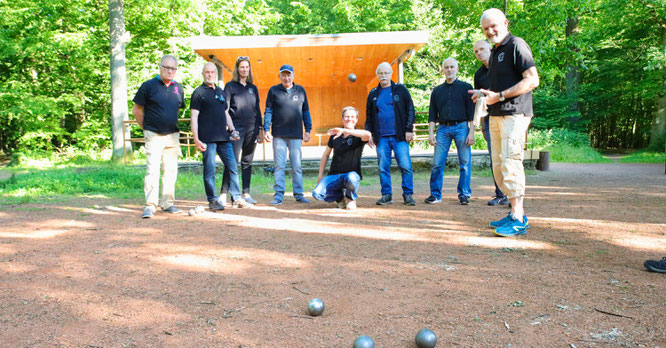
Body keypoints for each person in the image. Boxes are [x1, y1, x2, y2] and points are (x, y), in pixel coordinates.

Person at [470, 8, 540, 237]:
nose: (490, 31)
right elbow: (497, 89)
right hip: (496, 115)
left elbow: (532, 80)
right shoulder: (497, 51)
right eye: (485, 29)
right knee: (499, 166)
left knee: (511, 163)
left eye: (493, 26)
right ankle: (513, 213)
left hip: (514, 113)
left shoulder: (516, 45)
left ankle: (519, 219)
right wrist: (484, 95)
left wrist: (499, 96)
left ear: (505, 22)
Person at [190, 62, 251, 211]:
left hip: (224, 138)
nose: (210, 75)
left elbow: (226, 114)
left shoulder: (220, 91)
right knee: (210, 170)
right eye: (207, 72)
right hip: (207, 139)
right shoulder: (198, 93)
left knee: (232, 166)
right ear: (203, 74)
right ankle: (212, 200)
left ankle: (236, 198)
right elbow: (194, 117)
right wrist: (196, 138)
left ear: (215, 75)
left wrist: (233, 130)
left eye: (212, 72)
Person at [132, 55, 185, 219]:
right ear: (160, 67)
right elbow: (137, 110)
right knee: (152, 170)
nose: (170, 71)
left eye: (173, 68)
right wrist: (146, 129)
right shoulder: (148, 86)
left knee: (170, 171)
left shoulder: (178, 88)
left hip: (172, 136)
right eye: (167, 67)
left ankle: (167, 203)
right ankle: (150, 205)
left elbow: (176, 109)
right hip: (153, 135)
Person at [425, 58, 475, 205]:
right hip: (443, 129)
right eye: (446, 67)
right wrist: (430, 133)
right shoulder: (437, 91)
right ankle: (435, 194)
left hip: (461, 128)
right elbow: (432, 114)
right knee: (437, 163)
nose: (449, 69)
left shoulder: (466, 88)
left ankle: (464, 194)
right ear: (443, 70)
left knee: (465, 163)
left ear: (457, 69)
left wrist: (471, 132)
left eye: (452, 67)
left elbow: (472, 113)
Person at [365, 62, 416, 206]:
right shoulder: (373, 93)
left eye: (386, 73)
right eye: (380, 73)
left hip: (399, 136)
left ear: (391, 74)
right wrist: (369, 134)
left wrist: (409, 130)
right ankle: (386, 195)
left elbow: (410, 110)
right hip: (381, 137)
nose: (383, 75)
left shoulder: (401, 90)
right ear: (377, 75)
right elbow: (369, 116)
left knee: (405, 166)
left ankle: (408, 195)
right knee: (383, 167)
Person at [263, 64, 313, 205]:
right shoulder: (273, 91)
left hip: (296, 135)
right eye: (283, 75)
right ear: (279, 76)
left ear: (293, 76)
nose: (286, 77)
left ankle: (299, 194)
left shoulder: (301, 91)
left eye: (288, 74)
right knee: (279, 165)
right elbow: (268, 111)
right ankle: (278, 195)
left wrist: (308, 130)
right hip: (278, 135)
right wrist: (267, 129)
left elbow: (306, 112)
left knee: (296, 166)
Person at [221, 56, 262, 205]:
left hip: (252, 129)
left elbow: (257, 109)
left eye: (247, 67)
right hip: (236, 130)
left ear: (250, 69)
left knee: (247, 162)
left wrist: (260, 130)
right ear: (237, 69)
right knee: (232, 162)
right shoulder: (230, 86)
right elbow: (224, 109)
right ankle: (224, 194)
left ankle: (245, 193)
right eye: (242, 67)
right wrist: (231, 129)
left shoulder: (253, 88)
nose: (244, 69)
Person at [312, 107, 371, 210]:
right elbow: (326, 155)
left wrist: (344, 130)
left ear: (356, 119)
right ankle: (340, 198)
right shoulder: (335, 136)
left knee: (351, 178)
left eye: (352, 117)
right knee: (317, 194)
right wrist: (320, 175)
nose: (349, 119)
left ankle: (350, 198)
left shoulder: (358, 135)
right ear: (343, 119)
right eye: (347, 116)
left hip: (352, 174)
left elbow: (368, 134)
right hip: (335, 175)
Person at [473, 40, 509, 206]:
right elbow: (480, 101)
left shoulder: (502, 66)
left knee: (509, 157)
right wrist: (481, 124)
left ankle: (513, 195)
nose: (479, 52)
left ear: (489, 48)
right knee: (495, 158)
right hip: (489, 119)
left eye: (482, 49)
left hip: (508, 115)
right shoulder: (479, 75)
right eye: (476, 51)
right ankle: (500, 194)